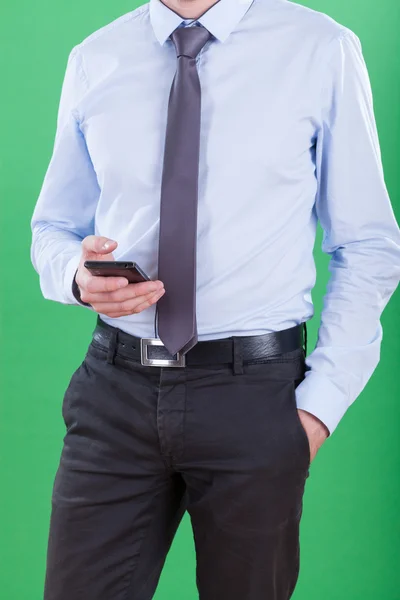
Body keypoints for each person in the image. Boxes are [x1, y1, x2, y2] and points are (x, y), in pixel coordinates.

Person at [30, 0, 400, 598]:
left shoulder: (320, 48)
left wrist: (319, 408)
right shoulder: (96, 57)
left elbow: (369, 244)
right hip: (115, 390)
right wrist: (75, 274)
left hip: (254, 395)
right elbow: (52, 227)